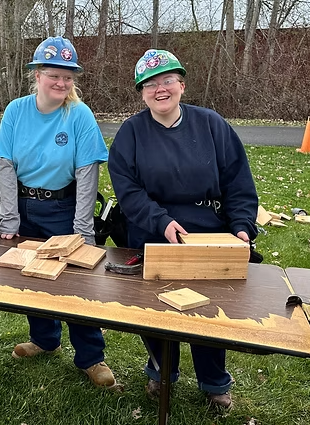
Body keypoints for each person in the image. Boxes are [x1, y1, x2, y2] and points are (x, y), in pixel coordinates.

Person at [108, 49, 258, 409]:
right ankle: (162, 372)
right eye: (151, 84)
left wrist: (241, 226)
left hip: (209, 232)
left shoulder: (211, 124)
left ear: (181, 85)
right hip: (153, 232)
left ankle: (214, 382)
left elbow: (238, 181)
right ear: (142, 92)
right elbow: (127, 191)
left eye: (167, 81)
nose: (160, 89)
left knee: (209, 311)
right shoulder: (130, 133)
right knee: (156, 313)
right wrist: (160, 221)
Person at [0, 36, 117, 389]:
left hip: (66, 206)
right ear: (37, 75)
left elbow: (87, 171)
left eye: (68, 77)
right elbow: (6, 166)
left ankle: (91, 356)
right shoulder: (16, 111)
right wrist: (10, 217)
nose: (61, 83)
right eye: (54, 75)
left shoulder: (78, 114)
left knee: (76, 283)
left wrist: (83, 229)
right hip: (26, 206)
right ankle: (45, 339)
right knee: (32, 276)